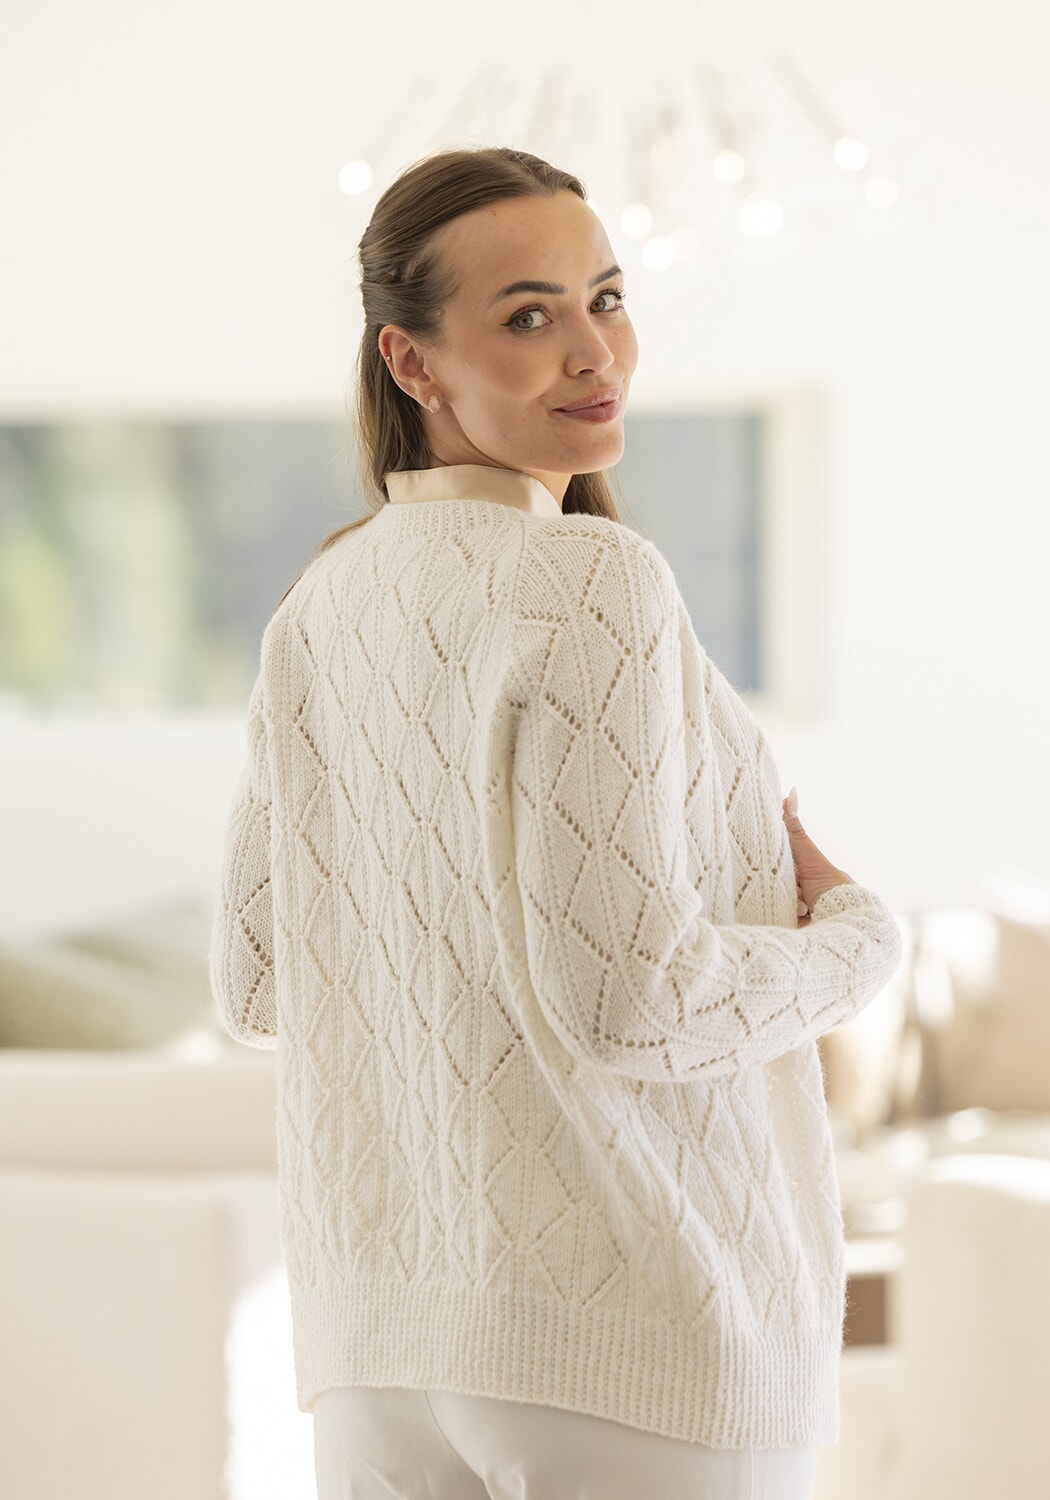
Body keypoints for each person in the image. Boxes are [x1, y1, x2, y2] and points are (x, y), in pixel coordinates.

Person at [209, 146, 903, 1500]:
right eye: (529, 315)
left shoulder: (322, 602)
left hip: (384, 1350)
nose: (594, 353)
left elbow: (260, 983)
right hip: (630, 1332)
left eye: (606, 297)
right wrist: (860, 942)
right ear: (411, 362)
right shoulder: (592, 581)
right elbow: (636, 1006)